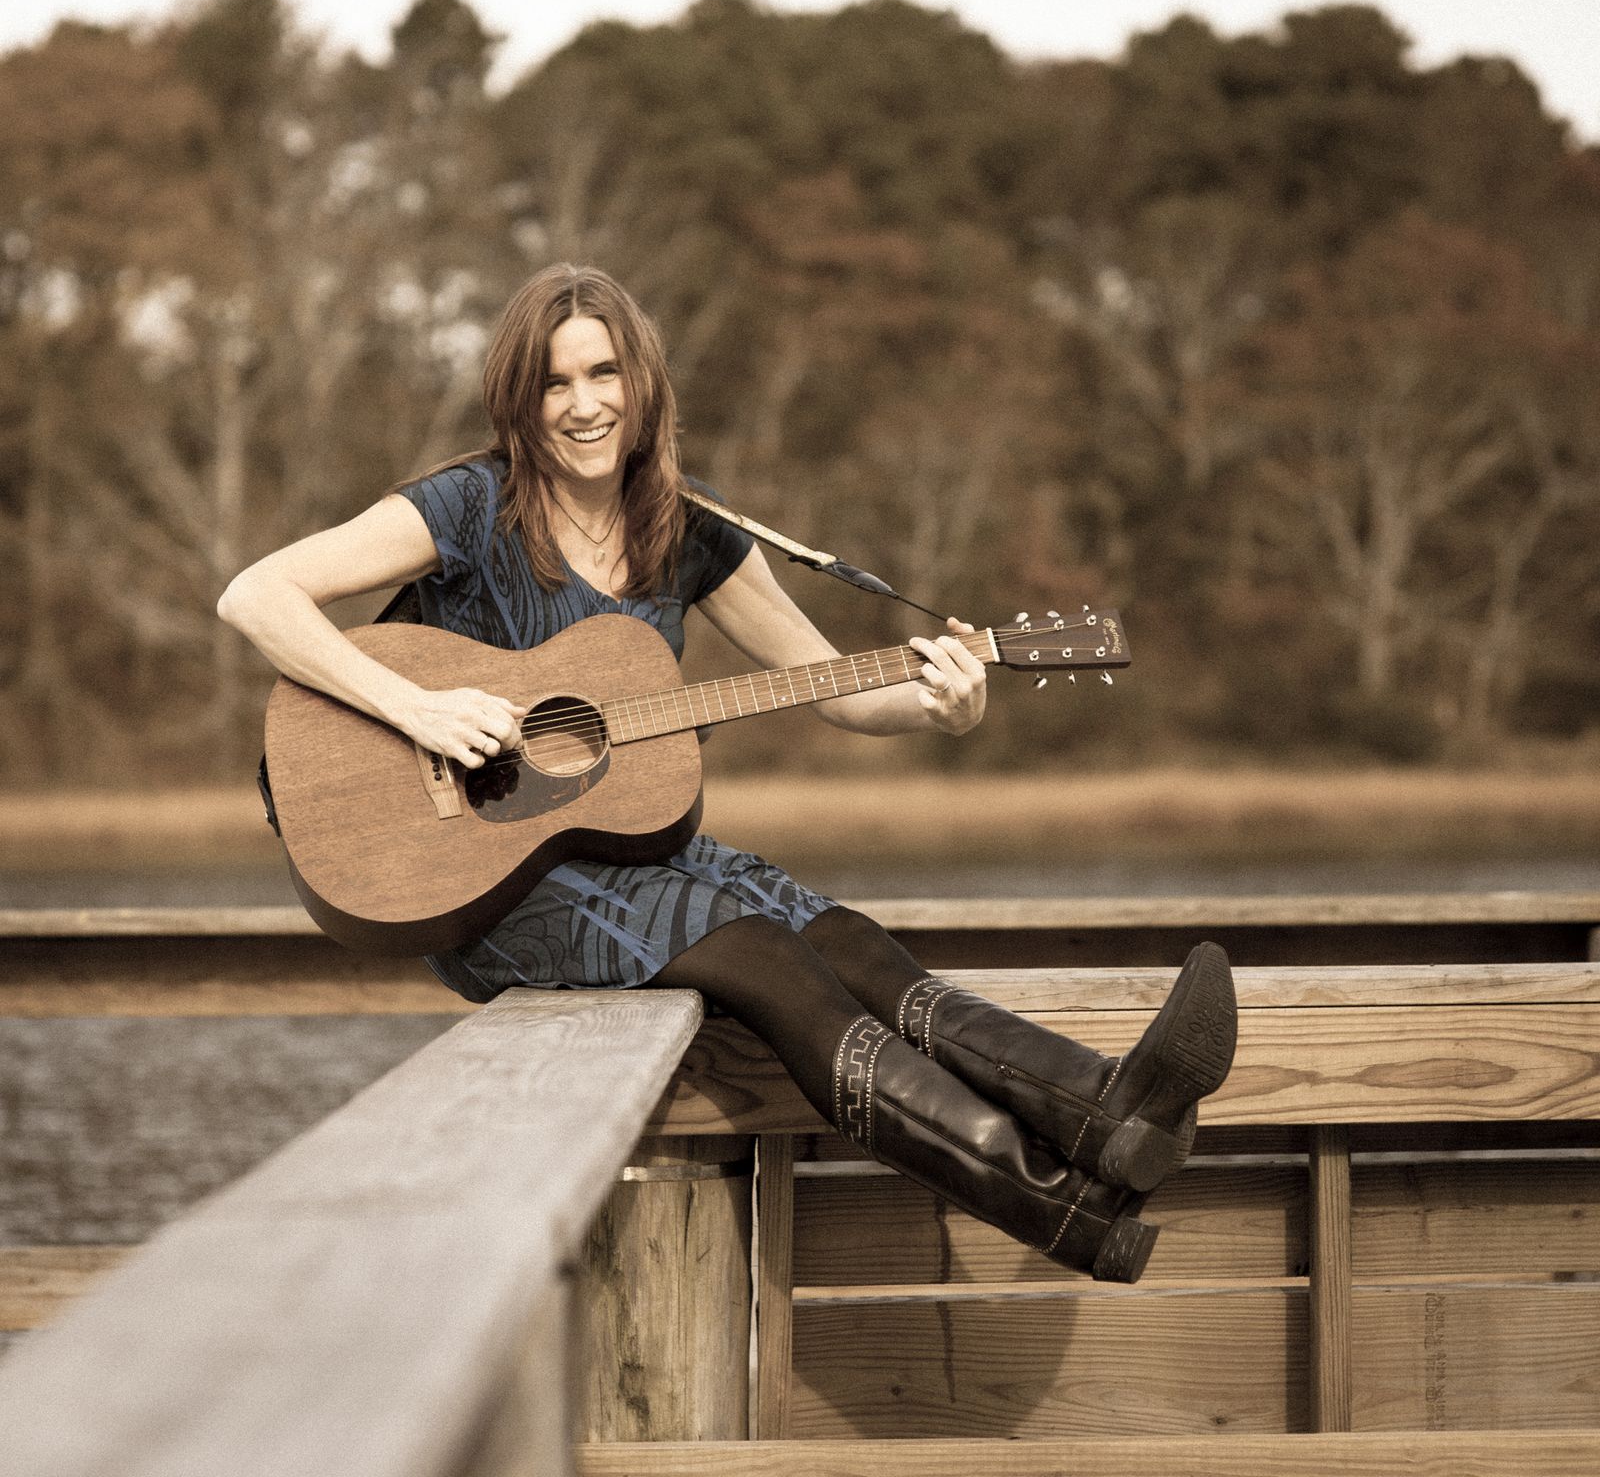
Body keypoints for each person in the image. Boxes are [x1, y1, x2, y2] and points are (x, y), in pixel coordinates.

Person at [218, 263, 1237, 1283]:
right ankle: (1058, 1207)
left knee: (844, 939)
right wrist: (419, 707)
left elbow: (836, 688)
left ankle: (1105, 1111)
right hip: (477, 885)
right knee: (767, 960)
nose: (583, 405)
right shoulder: (469, 506)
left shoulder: (690, 529)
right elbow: (257, 595)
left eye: (603, 374)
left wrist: (942, 706)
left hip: (621, 852)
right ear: (518, 399)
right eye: (554, 382)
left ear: (642, 383)